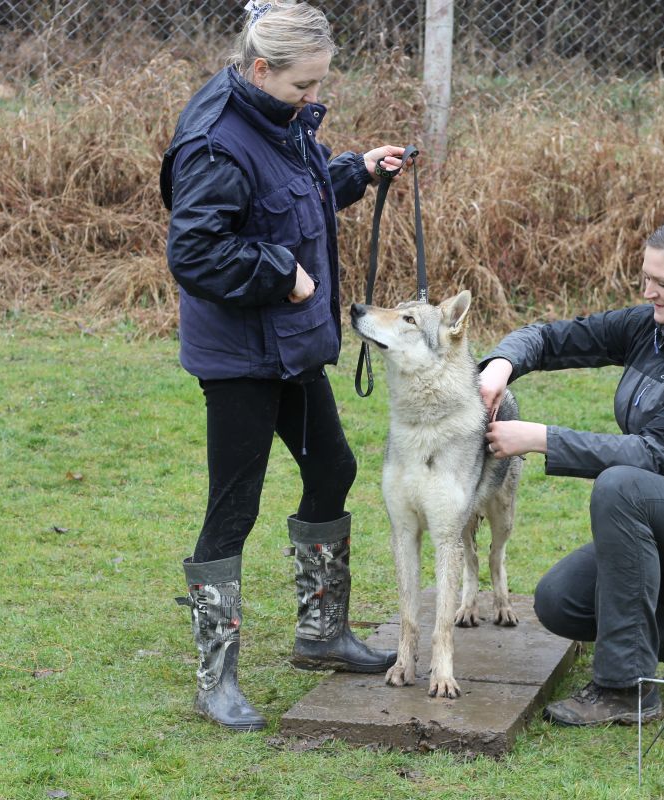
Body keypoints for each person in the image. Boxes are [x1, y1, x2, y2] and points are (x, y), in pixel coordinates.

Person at [160, 1, 411, 732]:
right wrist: (281, 272)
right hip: (240, 356)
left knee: (332, 470)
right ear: (262, 69)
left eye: (319, 84)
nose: (314, 98)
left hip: (289, 345)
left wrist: (355, 172)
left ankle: (321, 635)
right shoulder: (215, 141)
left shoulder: (276, 117)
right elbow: (196, 252)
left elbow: (291, 201)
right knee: (232, 508)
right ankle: (217, 679)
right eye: (305, 86)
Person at [479, 217, 664, 726]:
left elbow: (654, 455)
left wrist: (540, 438)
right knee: (559, 603)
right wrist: (502, 364)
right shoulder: (653, 327)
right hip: (662, 529)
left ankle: (625, 688)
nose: (649, 293)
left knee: (623, 485)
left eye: (662, 283)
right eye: (645, 279)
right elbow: (555, 338)